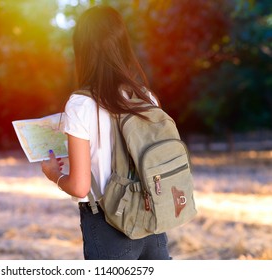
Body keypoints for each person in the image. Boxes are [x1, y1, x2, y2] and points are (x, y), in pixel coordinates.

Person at [41, 5, 171, 260]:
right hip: (153, 221)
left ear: (83, 49)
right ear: (122, 45)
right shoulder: (146, 97)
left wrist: (55, 175)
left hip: (108, 226)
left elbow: (80, 186)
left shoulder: (80, 104)